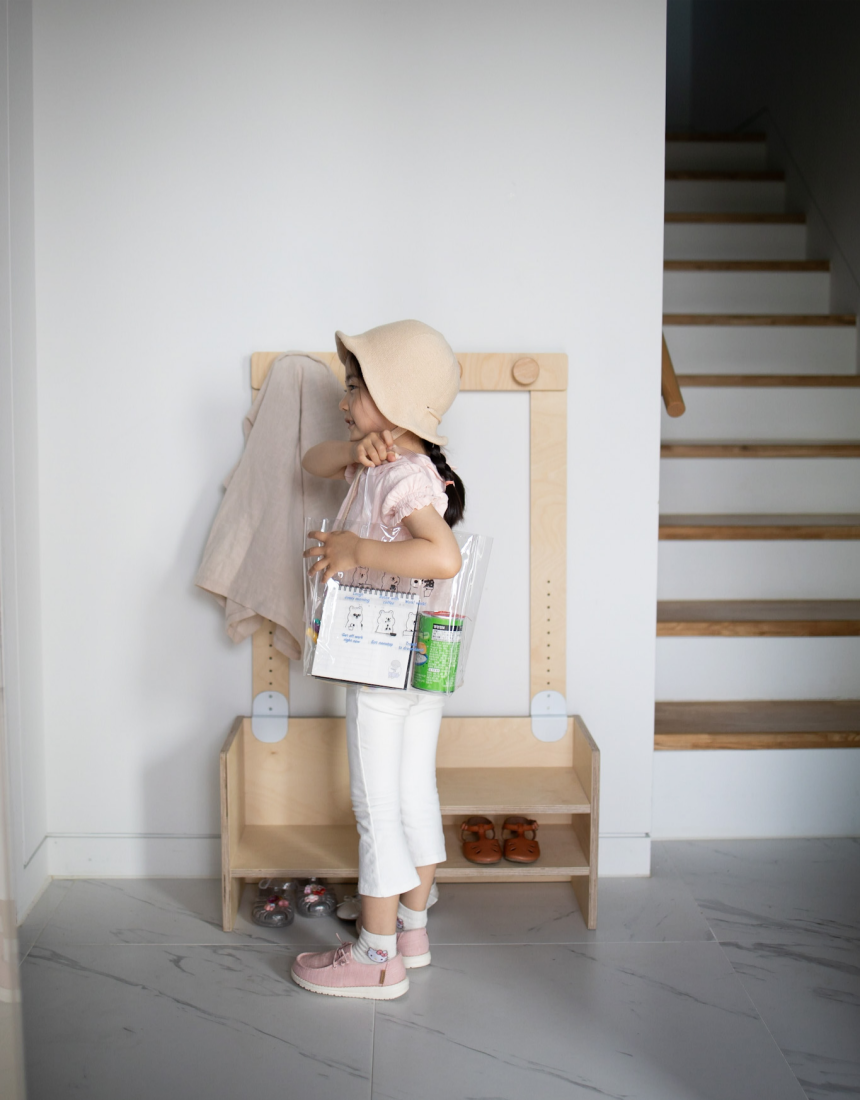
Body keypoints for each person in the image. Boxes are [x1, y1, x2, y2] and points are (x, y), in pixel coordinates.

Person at [291, 319, 465, 1000]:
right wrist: (353, 450)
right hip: (422, 663)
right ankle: (412, 933)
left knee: (377, 805)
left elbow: (442, 555)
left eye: (357, 388)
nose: (344, 400)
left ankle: (376, 954)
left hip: (381, 662)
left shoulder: (401, 477)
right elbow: (313, 460)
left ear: (395, 400)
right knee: (414, 792)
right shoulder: (390, 465)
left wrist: (357, 551)